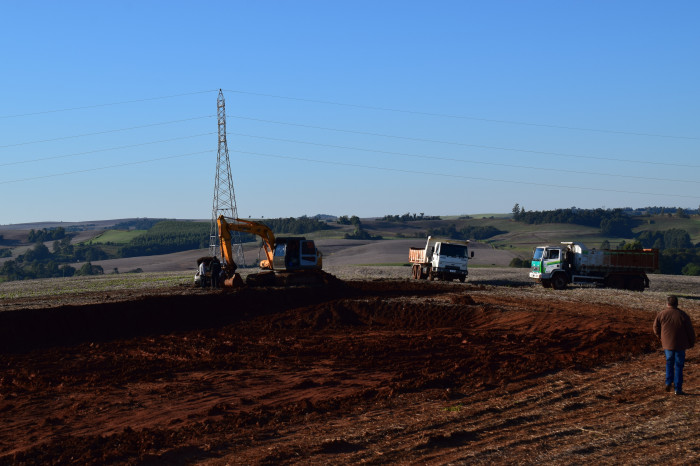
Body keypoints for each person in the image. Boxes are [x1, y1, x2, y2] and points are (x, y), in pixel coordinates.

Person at [653, 296, 695, 395]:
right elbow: (690, 331)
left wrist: (660, 337)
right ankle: (678, 389)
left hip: (667, 345)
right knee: (679, 366)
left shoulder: (661, 314)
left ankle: (668, 382)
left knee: (669, 362)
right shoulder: (683, 315)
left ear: (667, 304)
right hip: (680, 345)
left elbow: (655, 327)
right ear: (677, 304)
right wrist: (691, 342)